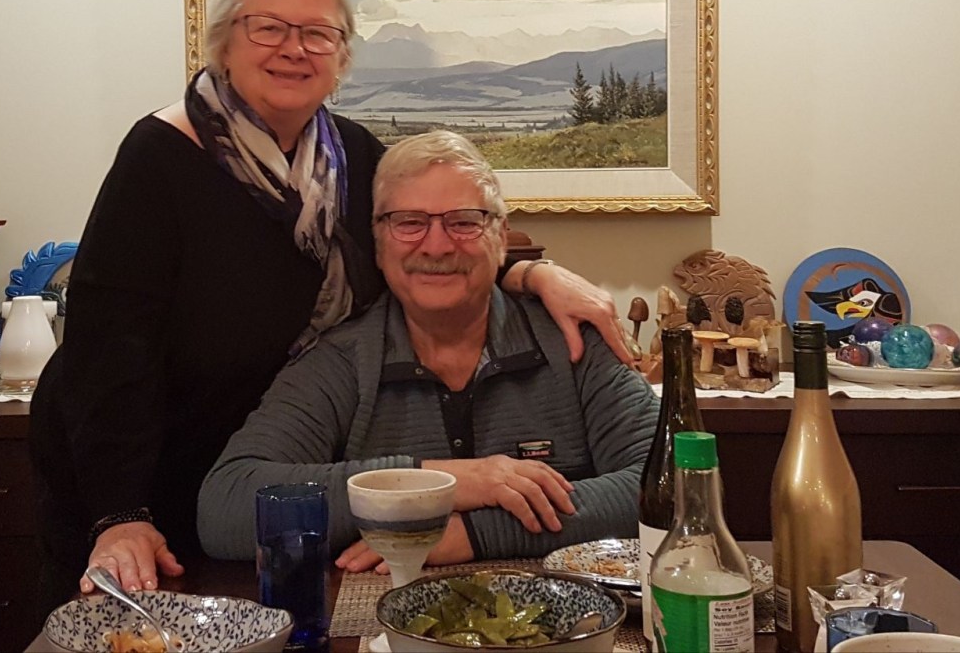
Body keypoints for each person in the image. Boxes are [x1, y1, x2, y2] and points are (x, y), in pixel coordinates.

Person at [28, 0, 633, 613]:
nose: (294, 48)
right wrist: (119, 512)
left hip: (278, 456)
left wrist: (531, 272)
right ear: (224, 43)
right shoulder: (160, 156)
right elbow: (107, 345)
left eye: (318, 33)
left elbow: (427, 239)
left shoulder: (352, 157)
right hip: (135, 465)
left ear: (342, 57)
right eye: (268, 27)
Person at [198, 131, 658, 567]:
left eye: (464, 222)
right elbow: (225, 508)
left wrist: (477, 533)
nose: (436, 246)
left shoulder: (572, 340)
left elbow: (676, 483)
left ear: (500, 238)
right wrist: (440, 484)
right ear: (379, 244)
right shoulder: (341, 361)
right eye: (409, 223)